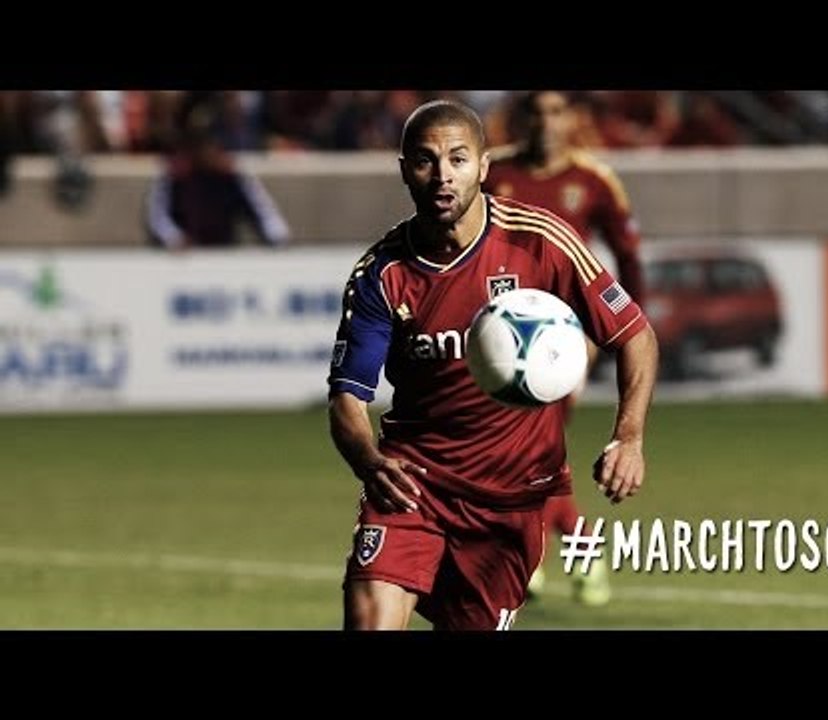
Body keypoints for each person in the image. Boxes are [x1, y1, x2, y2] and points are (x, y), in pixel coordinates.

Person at [328, 99, 658, 630]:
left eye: (458, 159)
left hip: (511, 502)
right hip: (414, 485)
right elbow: (347, 397)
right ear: (405, 171)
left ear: (483, 167)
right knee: (369, 620)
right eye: (426, 160)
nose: (443, 175)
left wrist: (629, 437)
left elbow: (635, 334)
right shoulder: (382, 274)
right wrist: (370, 462)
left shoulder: (540, 241)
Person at [483, 90, 645, 606]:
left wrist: (626, 331)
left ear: (572, 119)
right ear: (521, 119)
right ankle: (575, 551)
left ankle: (531, 557)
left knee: (535, 445)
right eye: (536, 112)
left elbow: (628, 254)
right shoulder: (492, 173)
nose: (545, 122)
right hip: (505, 334)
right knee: (521, 453)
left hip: (569, 333)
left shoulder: (593, 179)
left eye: (556, 112)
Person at [145, 103, 290, 250]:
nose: (206, 151)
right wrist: (174, 237)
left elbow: (264, 212)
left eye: (211, 144)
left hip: (222, 252)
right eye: (199, 145)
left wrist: (277, 237)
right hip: (183, 256)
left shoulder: (232, 175)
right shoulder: (175, 175)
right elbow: (157, 218)